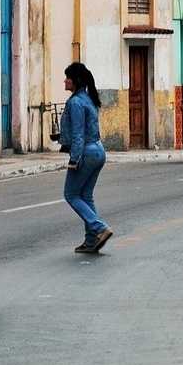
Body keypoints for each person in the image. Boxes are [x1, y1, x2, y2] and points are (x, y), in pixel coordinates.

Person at [59, 62, 113, 254]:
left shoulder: (75, 102)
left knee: (71, 194)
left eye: (67, 77)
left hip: (86, 153)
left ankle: (99, 228)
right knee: (86, 195)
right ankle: (91, 241)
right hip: (98, 150)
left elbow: (78, 135)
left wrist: (74, 160)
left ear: (74, 81)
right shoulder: (88, 98)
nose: (64, 80)